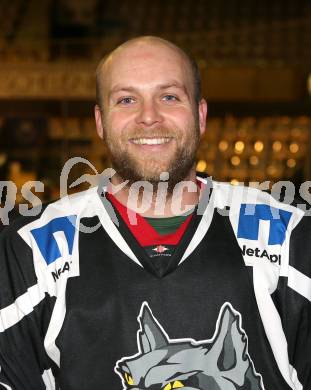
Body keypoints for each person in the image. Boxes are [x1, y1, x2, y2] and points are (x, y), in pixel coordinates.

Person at [0, 36, 310, 390]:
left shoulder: (288, 237)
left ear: (201, 114)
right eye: (127, 99)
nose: (149, 116)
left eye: (169, 97)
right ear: (100, 121)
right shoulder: (30, 250)